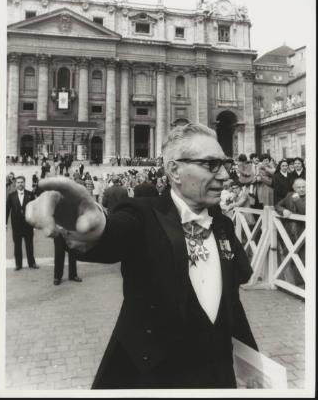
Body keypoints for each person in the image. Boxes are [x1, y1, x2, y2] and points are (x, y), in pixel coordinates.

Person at [26, 123, 257, 389]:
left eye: (225, 163)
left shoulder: (223, 225)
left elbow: (232, 306)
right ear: (174, 171)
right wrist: (92, 225)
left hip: (217, 378)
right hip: (152, 376)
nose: (225, 175)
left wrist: (254, 367)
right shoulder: (142, 214)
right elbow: (115, 231)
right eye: (211, 164)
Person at [275, 178, 306, 285]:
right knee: (291, 258)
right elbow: (277, 205)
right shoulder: (289, 195)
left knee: (304, 259)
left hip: (303, 233)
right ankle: (297, 284)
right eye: (299, 187)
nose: (302, 189)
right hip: (289, 232)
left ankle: (305, 287)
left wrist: (297, 200)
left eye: (304, 187)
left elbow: (304, 211)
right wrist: (283, 210)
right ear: (294, 187)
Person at [6, 175, 39, 271]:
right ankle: (18, 264)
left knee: (29, 244)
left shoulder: (30, 194)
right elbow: (7, 210)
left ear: (24, 183)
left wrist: (35, 224)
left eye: (22, 182)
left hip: (28, 224)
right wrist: (5, 223)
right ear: (15, 184)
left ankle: (32, 263)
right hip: (16, 225)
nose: (20, 184)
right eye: (18, 182)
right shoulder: (11, 196)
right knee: (17, 245)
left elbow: (34, 209)